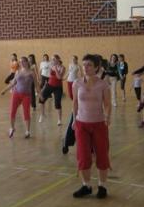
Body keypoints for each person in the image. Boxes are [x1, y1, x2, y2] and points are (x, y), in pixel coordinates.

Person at [72, 54, 111, 199]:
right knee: (83, 156)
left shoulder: (103, 84)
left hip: (99, 124)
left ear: (96, 67)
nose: (85, 67)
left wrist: (107, 117)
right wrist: (74, 120)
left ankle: (102, 185)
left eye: (89, 65)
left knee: (102, 155)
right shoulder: (76, 83)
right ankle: (86, 185)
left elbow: (107, 104)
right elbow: (75, 102)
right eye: (84, 65)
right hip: (81, 124)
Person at [1, 56, 37, 138]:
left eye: (23, 61)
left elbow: (36, 85)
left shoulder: (31, 73)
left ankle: (27, 131)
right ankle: (12, 128)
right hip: (16, 93)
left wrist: (40, 94)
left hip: (26, 95)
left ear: (27, 62)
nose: (21, 63)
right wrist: (5, 90)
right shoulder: (18, 72)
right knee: (12, 111)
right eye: (20, 62)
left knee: (26, 112)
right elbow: (13, 83)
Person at [38, 54, 65, 125]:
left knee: (57, 103)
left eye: (54, 59)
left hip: (58, 87)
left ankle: (59, 120)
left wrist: (56, 69)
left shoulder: (62, 67)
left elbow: (59, 77)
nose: (52, 61)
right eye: (52, 59)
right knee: (41, 99)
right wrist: (44, 83)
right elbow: (49, 75)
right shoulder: (52, 66)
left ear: (58, 59)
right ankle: (42, 115)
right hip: (49, 85)